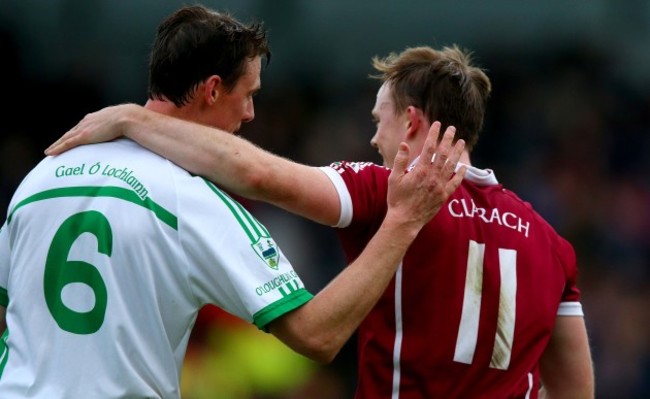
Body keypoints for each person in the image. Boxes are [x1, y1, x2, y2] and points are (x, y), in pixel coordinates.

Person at [45, 44, 595, 398]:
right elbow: (574, 391)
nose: (373, 139)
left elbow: (257, 174)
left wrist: (131, 118)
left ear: (410, 123)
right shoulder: (551, 245)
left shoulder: (386, 192)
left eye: (378, 122)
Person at [0, 6, 467, 398]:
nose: (250, 114)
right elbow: (317, 335)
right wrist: (402, 221)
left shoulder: (39, 177)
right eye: (248, 96)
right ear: (212, 89)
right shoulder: (190, 199)